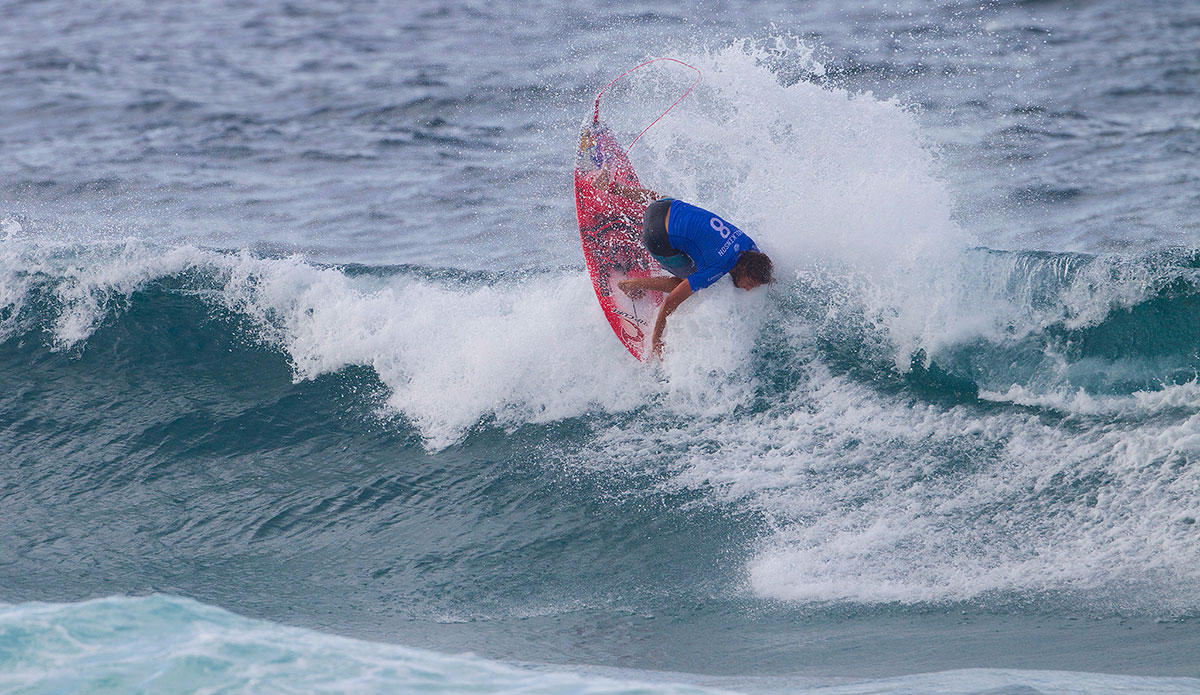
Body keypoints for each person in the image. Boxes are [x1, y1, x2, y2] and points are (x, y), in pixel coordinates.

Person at [595, 165, 773, 359]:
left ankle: (611, 187)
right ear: (743, 269)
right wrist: (656, 339)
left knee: (666, 202)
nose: (749, 289)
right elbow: (671, 301)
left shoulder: (747, 244)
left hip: (660, 207)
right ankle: (632, 285)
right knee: (687, 283)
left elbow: (760, 265)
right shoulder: (717, 267)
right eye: (750, 283)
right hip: (656, 238)